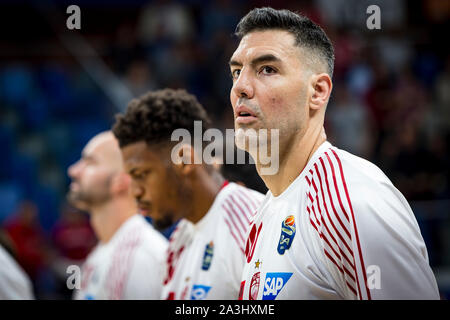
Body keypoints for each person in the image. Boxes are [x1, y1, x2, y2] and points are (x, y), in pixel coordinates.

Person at [228, 7, 439, 299]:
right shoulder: (266, 211)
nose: (240, 87)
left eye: (267, 69)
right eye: (237, 71)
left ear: (317, 92)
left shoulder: (350, 203)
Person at [112, 88, 264, 300]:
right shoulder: (178, 241)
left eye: (141, 174)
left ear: (184, 161)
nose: (135, 191)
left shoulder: (253, 225)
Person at [67, 131, 168, 300]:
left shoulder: (140, 260)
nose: (73, 170)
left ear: (121, 182)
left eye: (90, 162)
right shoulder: (105, 249)